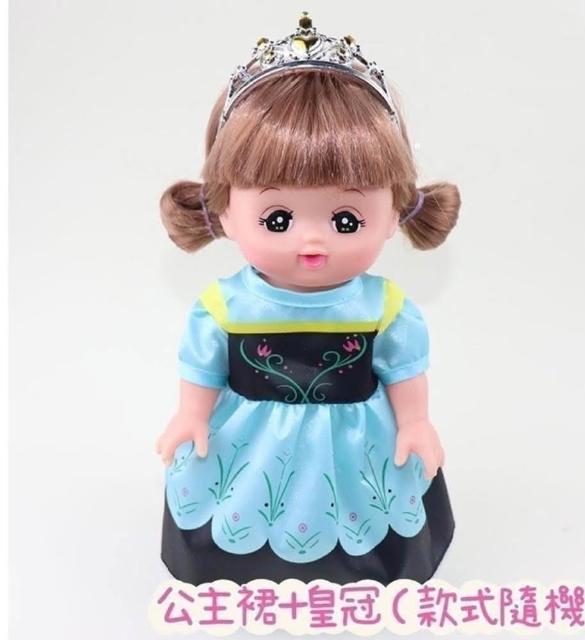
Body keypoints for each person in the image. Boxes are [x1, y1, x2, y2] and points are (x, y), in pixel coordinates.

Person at [156, 12, 460, 586]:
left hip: (357, 443)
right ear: (225, 211)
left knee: (363, 508)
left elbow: (404, 372)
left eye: (346, 219)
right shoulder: (226, 306)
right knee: (243, 507)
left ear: (393, 213)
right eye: (278, 218)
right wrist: (191, 416)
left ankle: (364, 570)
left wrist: (416, 423)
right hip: (249, 442)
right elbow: (203, 368)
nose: (312, 240)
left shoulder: (382, 308)